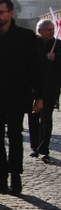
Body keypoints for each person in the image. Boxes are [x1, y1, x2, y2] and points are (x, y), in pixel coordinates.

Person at [0, 0, 43, 195]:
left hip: (18, 94)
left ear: (11, 13)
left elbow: (34, 68)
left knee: (15, 136)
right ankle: (1, 177)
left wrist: (39, 95)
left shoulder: (26, 37)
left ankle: (15, 177)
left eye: (0, 12)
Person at [28, 19, 61, 163]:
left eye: (52, 29)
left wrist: (56, 58)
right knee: (33, 116)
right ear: (39, 30)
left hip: (50, 87)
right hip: (34, 87)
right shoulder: (32, 43)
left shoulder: (58, 45)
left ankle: (44, 148)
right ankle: (34, 146)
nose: (51, 32)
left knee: (46, 117)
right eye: (48, 29)